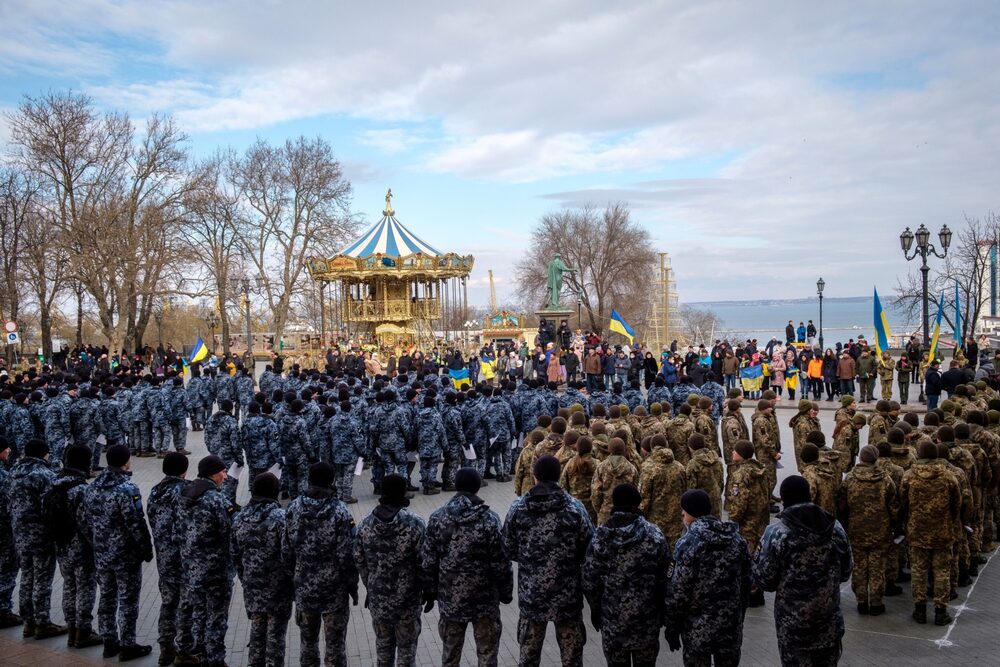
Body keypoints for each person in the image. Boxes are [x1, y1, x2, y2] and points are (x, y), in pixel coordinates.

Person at [502, 455, 594, 667]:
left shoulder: (519, 508)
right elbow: (589, 547)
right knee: (571, 658)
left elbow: (507, 546)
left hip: (532, 594)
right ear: (559, 476)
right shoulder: (575, 508)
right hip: (568, 595)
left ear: (534, 477)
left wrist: (529, 558)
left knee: (528, 657)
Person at [753, 476, 853, 667]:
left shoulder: (777, 533)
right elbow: (847, 571)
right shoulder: (835, 528)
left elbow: (765, 579)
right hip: (828, 620)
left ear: (783, 498)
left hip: (793, 624)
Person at [421, 468, 512, 667]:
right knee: (487, 656)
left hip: (450, 599)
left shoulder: (438, 517)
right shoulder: (490, 519)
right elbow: (501, 561)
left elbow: (428, 560)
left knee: (450, 656)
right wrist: (506, 591)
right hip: (485, 601)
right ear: (478, 487)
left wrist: (429, 591)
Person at [583, 483, 670, 667]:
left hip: (613, 622)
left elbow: (590, 579)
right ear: (637, 503)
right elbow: (666, 578)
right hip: (646, 621)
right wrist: (663, 610)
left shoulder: (600, 537)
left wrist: (596, 609)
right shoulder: (654, 534)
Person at [284, 462, 359, 667]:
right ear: (332, 481)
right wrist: (353, 585)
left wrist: (293, 577)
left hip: (304, 586)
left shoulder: (294, 508)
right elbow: (347, 554)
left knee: (307, 641)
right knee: (335, 643)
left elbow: (286, 549)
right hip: (334, 589)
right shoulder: (339, 510)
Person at [83, 444, 154, 660]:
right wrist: (145, 548)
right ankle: (128, 644)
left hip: (102, 553)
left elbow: (85, 521)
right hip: (125, 556)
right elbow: (135, 523)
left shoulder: (93, 487)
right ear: (126, 461)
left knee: (107, 597)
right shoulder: (126, 489)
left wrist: (96, 543)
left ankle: (109, 641)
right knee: (128, 600)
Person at [664, 489, 750, 666]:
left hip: (697, 629)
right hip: (730, 627)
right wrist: (739, 616)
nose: (682, 514)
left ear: (691, 513)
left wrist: (672, 626)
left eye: (684, 510)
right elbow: (746, 583)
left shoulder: (688, 543)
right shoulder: (737, 540)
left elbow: (679, 591)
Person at [354, 474, 426, 667]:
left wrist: (370, 585)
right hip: (408, 601)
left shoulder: (365, 525)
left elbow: (360, 562)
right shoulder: (414, 524)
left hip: (379, 600)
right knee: (407, 651)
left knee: (383, 650)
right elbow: (424, 563)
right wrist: (425, 588)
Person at [177, 455, 237, 667]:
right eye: (223, 472)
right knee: (217, 617)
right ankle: (215, 660)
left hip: (191, 568)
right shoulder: (216, 500)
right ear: (213, 473)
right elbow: (229, 533)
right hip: (216, 570)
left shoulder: (184, 494)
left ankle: (200, 656)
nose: (225, 476)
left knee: (199, 615)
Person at [231, 472, 293, 667]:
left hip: (252, 586)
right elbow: (288, 554)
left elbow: (234, 554)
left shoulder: (240, 518)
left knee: (257, 629)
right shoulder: (281, 518)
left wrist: (245, 577)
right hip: (278, 588)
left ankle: (254, 662)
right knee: (276, 635)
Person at [46, 444, 103, 649]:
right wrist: (97, 546)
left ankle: (71, 629)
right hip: (81, 548)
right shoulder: (81, 490)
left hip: (62, 546)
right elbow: (88, 524)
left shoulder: (54, 483)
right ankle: (84, 631)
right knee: (85, 588)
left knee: (69, 586)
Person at [899, 440, 960, 626]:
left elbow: (903, 503)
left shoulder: (909, 476)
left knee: (918, 571)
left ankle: (920, 610)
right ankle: (941, 611)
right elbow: (956, 504)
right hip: (942, 531)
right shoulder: (949, 476)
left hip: (917, 531)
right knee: (942, 572)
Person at [840, 445, 896, 616]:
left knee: (859, 566)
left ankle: (861, 601)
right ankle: (877, 602)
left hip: (856, 529)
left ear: (861, 459)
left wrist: (844, 525)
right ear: (876, 459)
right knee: (877, 566)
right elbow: (893, 507)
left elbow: (842, 506)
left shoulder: (849, 479)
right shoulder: (886, 480)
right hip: (880, 530)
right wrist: (896, 526)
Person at [147, 452, 190, 666]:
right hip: (184, 559)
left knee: (168, 603)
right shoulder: (184, 491)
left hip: (163, 559)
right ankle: (184, 650)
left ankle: (166, 647)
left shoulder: (155, 492)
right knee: (185, 604)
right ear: (184, 470)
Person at [725, 440, 770, 606]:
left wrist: (733, 519)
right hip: (760, 519)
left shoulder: (740, 474)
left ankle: (751, 593)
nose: (732, 453)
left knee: (747, 557)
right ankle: (758, 590)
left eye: (735, 451)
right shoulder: (760, 469)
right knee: (759, 555)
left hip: (747, 522)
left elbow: (740, 500)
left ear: (740, 454)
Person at [0, 437, 20, 629]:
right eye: (6, 448)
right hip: (4, 531)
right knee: (7, 570)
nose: (9, 450)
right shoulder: (4, 478)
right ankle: (3, 611)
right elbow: (10, 506)